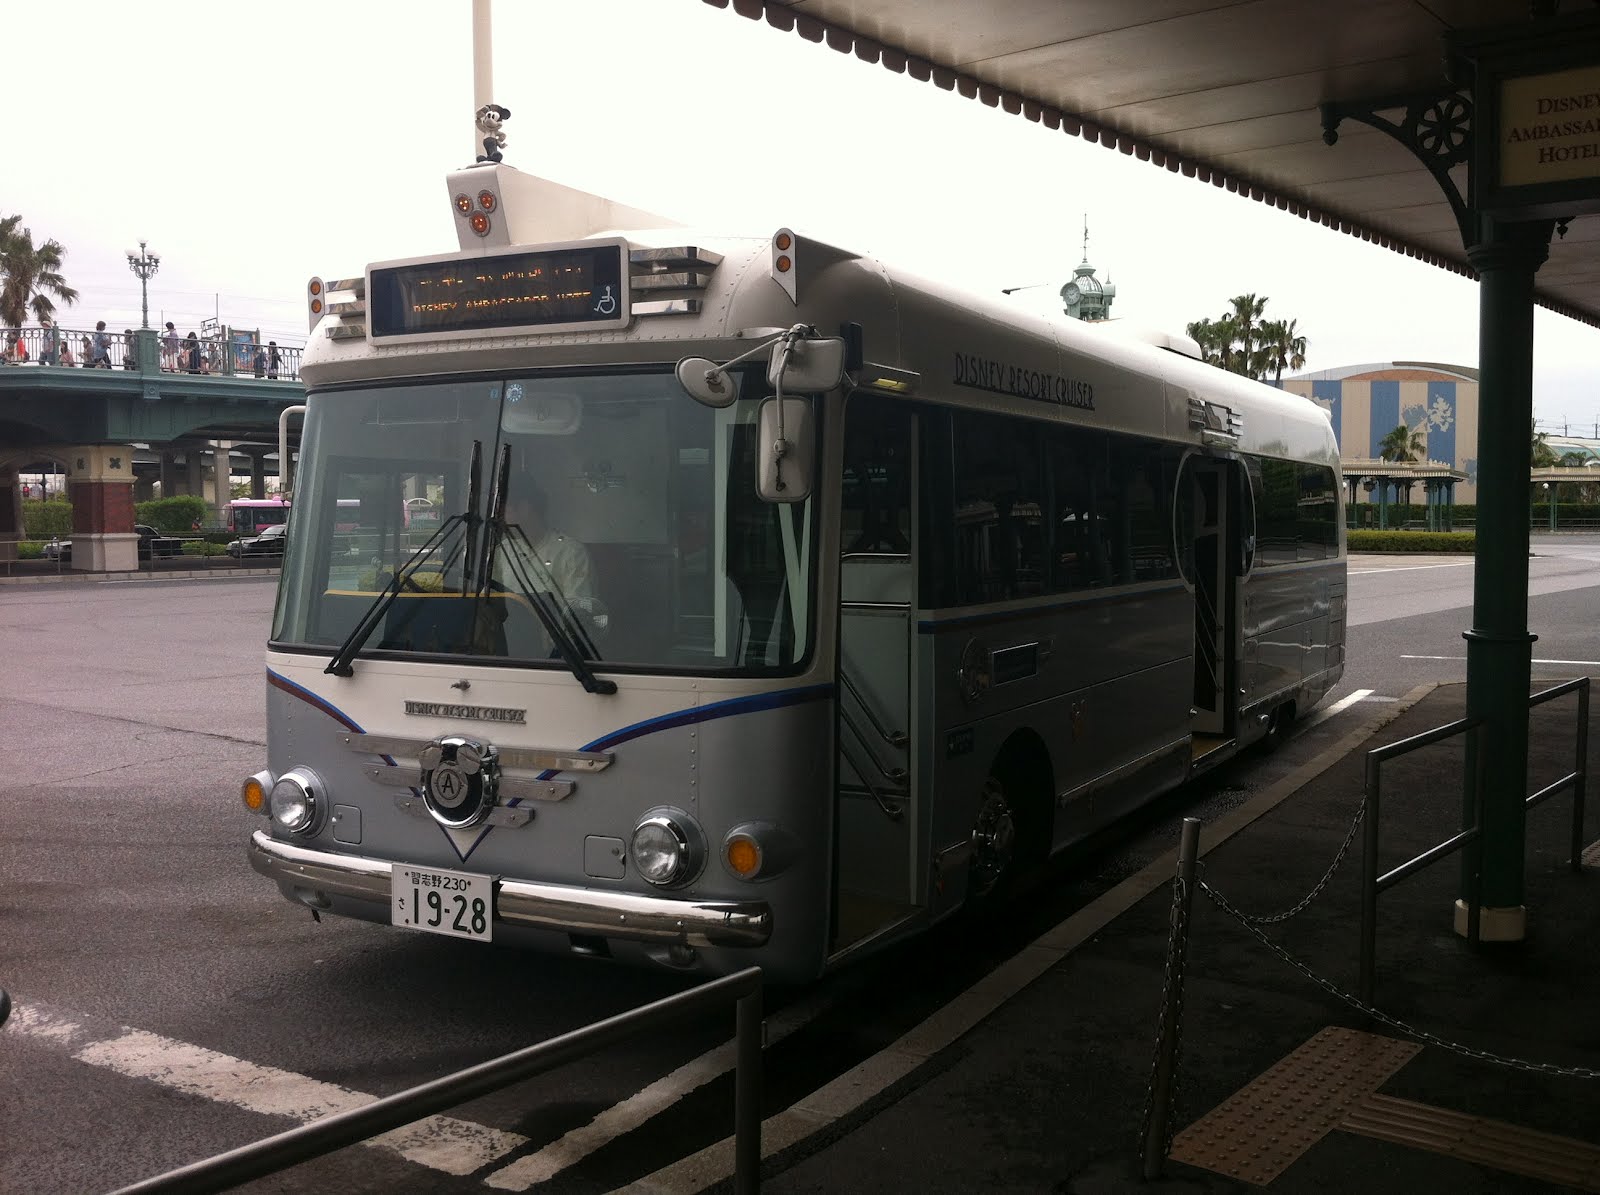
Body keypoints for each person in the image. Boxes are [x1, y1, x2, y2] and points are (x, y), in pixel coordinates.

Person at [499, 486, 593, 604]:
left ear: (524, 508)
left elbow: (577, 608)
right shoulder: (503, 550)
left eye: (506, 512)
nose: (502, 520)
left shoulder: (571, 552)